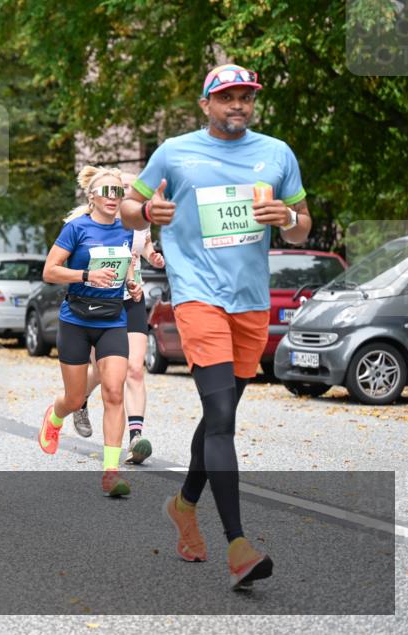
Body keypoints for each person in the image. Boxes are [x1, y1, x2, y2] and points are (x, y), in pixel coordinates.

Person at [121, 63, 312, 590]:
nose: (238, 105)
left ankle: (183, 506)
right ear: (206, 104)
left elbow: (302, 226)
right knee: (223, 418)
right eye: (227, 97)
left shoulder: (277, 153)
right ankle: (239, 545)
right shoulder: (174, 152)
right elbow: (131, 208)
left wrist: (287, 220)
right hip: (198, 297)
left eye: (245, 97)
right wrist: (148, 211)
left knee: (216, 416)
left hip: (251, 304)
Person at [37, 166, 142, 498]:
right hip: (77, 319)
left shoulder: (127, 230)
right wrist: (85, 276)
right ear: (92, 197)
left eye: (118, 192)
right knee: (74, 397)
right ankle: (55, 417)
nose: (113, 197)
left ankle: (111, 472)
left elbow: (126, 267)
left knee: (114, 393)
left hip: (112, 319)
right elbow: (50, 271)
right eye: (106, 192)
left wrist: (132, 284)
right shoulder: (76, 228)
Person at [72, 172, 166, 466]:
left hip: (131, 298)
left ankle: (136, 438)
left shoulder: (139, 219)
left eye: (130, 187)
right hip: (99, 303)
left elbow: (144, 246)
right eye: (121, 186)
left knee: (135, 368)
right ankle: (79, 399)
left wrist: (153, 256)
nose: (125, 191)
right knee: (105, 373)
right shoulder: (95, 220)